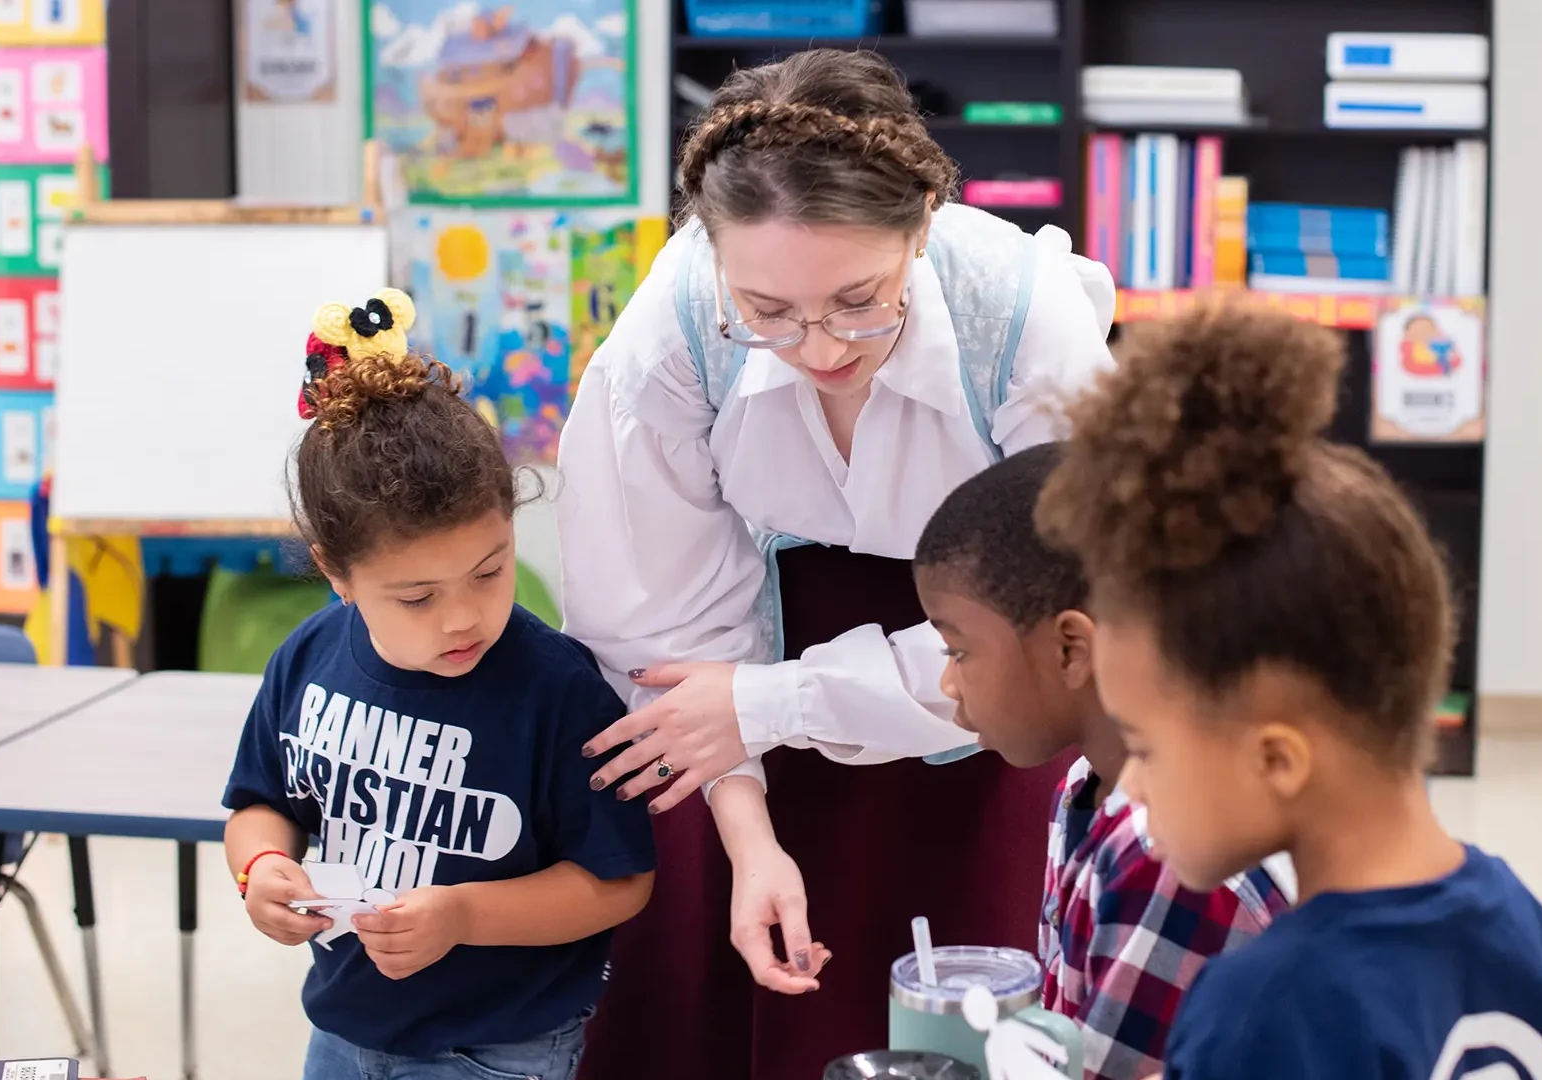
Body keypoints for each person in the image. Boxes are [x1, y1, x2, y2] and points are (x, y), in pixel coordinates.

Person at [556, 48, 1117, 1080]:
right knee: (709, 1017)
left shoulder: (1026, 321)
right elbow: (661, 617)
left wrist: (776, 702)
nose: (818, 348)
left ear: (922, 227)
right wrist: (746, 824)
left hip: (983, 687)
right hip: (726, 690)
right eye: (767, 312)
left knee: (963, 1004)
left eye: (861, 300)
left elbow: (1055, 616)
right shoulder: (678, 324)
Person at [1035, 300, 1542, 1080]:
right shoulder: (1519, 918)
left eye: (1146, 746)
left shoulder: (1263, 1008)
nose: (1136, 787)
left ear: (1279, 758)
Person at [221, 291, 657, 1080]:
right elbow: (261, 804)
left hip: (498, 1050)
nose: (463, 618)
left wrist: (462, 915)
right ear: (335, 572)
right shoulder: (308, 656)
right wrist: (261, 870)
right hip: (345, 1029)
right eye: (417, 598)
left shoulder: (558, 690)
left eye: (490, 572)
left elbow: (616, 881)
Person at [912, 445, 1290, 1080]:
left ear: (1070, 648)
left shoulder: (1169, 855)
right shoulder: (1083, 790)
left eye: (959, 651)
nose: (949, 684)